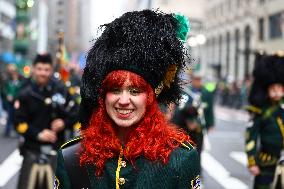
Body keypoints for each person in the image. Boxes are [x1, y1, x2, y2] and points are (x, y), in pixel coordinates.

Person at [54, 10, 201, 189]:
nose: (123, 100)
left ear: (150, 96)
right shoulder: (71, 156)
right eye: (115, 90)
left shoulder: (181, 158)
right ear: (103, 96)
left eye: (134, 91)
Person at [14, 53, 78, 189]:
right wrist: (38, 134)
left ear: (51, 70)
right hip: (32, 151)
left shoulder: (61, 90)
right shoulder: (24, 92)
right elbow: (18, 123)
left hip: (56, 152)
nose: (43, 73)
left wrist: (64, 123)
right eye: (39, 69)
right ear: (33, 68)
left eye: (46, 69)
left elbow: (76, 112)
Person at [245, 53, 284, 189]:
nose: (277, 92)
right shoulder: (259, 112)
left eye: (280, 89)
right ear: (266, 90)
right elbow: (251, 138)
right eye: (273, 89)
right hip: (266, 162)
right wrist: (252, 162)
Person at [171, 71, 215, 173]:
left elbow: (209, 110)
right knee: (184, 151)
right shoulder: (186, 93)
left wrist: (210, 124)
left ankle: (197, 174)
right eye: (196, 79)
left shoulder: (206, 93)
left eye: (199, 79)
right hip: (186, 128)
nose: (197, 81)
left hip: (199, 129)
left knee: (197, 152)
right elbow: (180, 109)